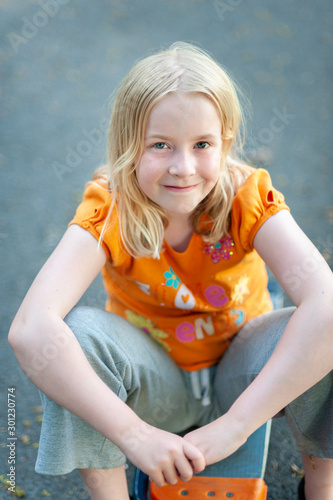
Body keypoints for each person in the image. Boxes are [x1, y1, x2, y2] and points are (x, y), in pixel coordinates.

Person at [8, 42, 333, 500]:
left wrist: (236, 428)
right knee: (72, 341)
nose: (183, 168)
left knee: (322, 325)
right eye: (160, 145)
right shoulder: (111, 208)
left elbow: (328, 307)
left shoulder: (246, 196)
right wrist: (133, 435)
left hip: (238, 370)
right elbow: (29, 329)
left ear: (226, 141)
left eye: (202, 145)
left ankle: (322, 487)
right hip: (155, 382)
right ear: (129, 146)